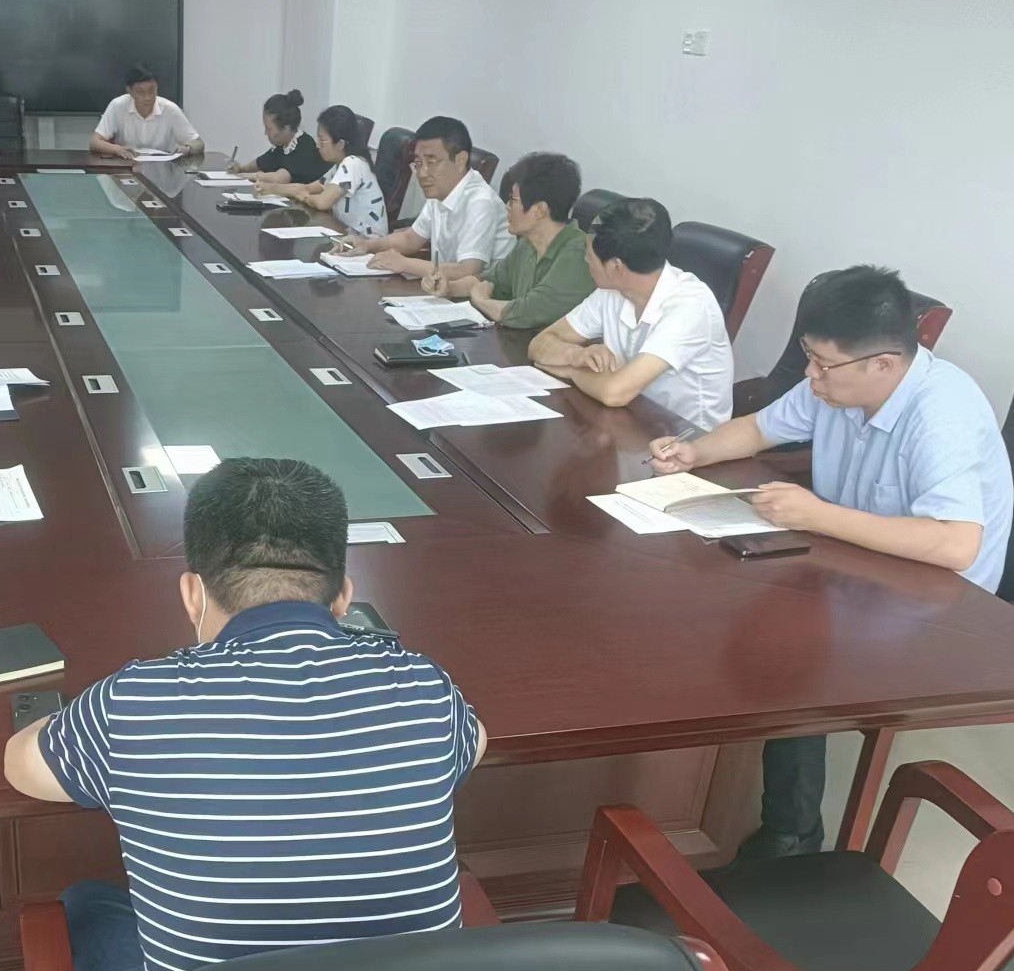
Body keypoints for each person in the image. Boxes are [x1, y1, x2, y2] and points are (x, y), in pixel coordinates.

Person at [3, 457, 484, 971]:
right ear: (344, 597)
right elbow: (477, 742)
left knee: (88, 906)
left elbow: (21, 766)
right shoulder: (425, 690)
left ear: (191, 595)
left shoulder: (136, 703)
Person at [648, 265, 1014, 859]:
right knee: (719, 594)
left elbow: (957, 546)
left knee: (788, 648)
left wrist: (818, 516)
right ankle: (704, 791)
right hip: (857, 559)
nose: (810, 376)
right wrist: (693, 451)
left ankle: (792, 834)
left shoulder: (940, 412)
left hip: (938, 604)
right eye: (809, 358)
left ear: (884, 364)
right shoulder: (839, 385)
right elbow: (758, 430)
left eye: (823, 364)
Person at [529, 197, 733, 429]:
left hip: (688, 438)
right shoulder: (611, 292)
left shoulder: (690, 306)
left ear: (616, 267)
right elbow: (539, 344)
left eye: (589, 254)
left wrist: (571, 371)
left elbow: (615, 393)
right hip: (632, 420)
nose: (585, 259)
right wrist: (575, 355)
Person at [423, 151, 594, 330]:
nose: (507, 207)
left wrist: (482, 301)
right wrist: (448, 288)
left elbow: (527, 312)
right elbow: (488, 282)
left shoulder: (578, 254)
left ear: (540, 210)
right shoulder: (527, 244)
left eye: (512, 200)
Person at [334, 115, 511, 281]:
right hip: (444, 288)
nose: (422, 173)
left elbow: (468, 271)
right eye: (418, 163)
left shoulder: (480, 201)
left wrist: (405, 264)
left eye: (432, 162)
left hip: (482, 296)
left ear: (460, 160)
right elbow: (410, 239)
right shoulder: (440, 192)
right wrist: (367, 245)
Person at [253, 105, 386, 239]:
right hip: (347, 236)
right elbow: (308, 188)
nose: (317, 145)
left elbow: (322, 202)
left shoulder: (353, 164)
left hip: (367, 243)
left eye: (322, 141)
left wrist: (303, 196)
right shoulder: (339, 166)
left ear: (340, 144)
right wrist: (271, 188)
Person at [90, 63, 204, 160]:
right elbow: (94, 142)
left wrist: (187, 148)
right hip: (126, 168)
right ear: (129, 91)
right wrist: (117, 149)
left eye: (151, 90)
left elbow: (198, 143)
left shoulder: (170, 109)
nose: (147, 97)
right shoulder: (118, 105)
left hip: (162, 170)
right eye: (140, 92)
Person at [227, 89, 326, 185]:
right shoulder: (281, 146)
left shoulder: (304, 145)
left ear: (286, 128)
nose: (266, 133)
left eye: (269, 129)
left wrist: (244, 176)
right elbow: (260, 162)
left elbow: (280, 178)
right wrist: (241, 169)